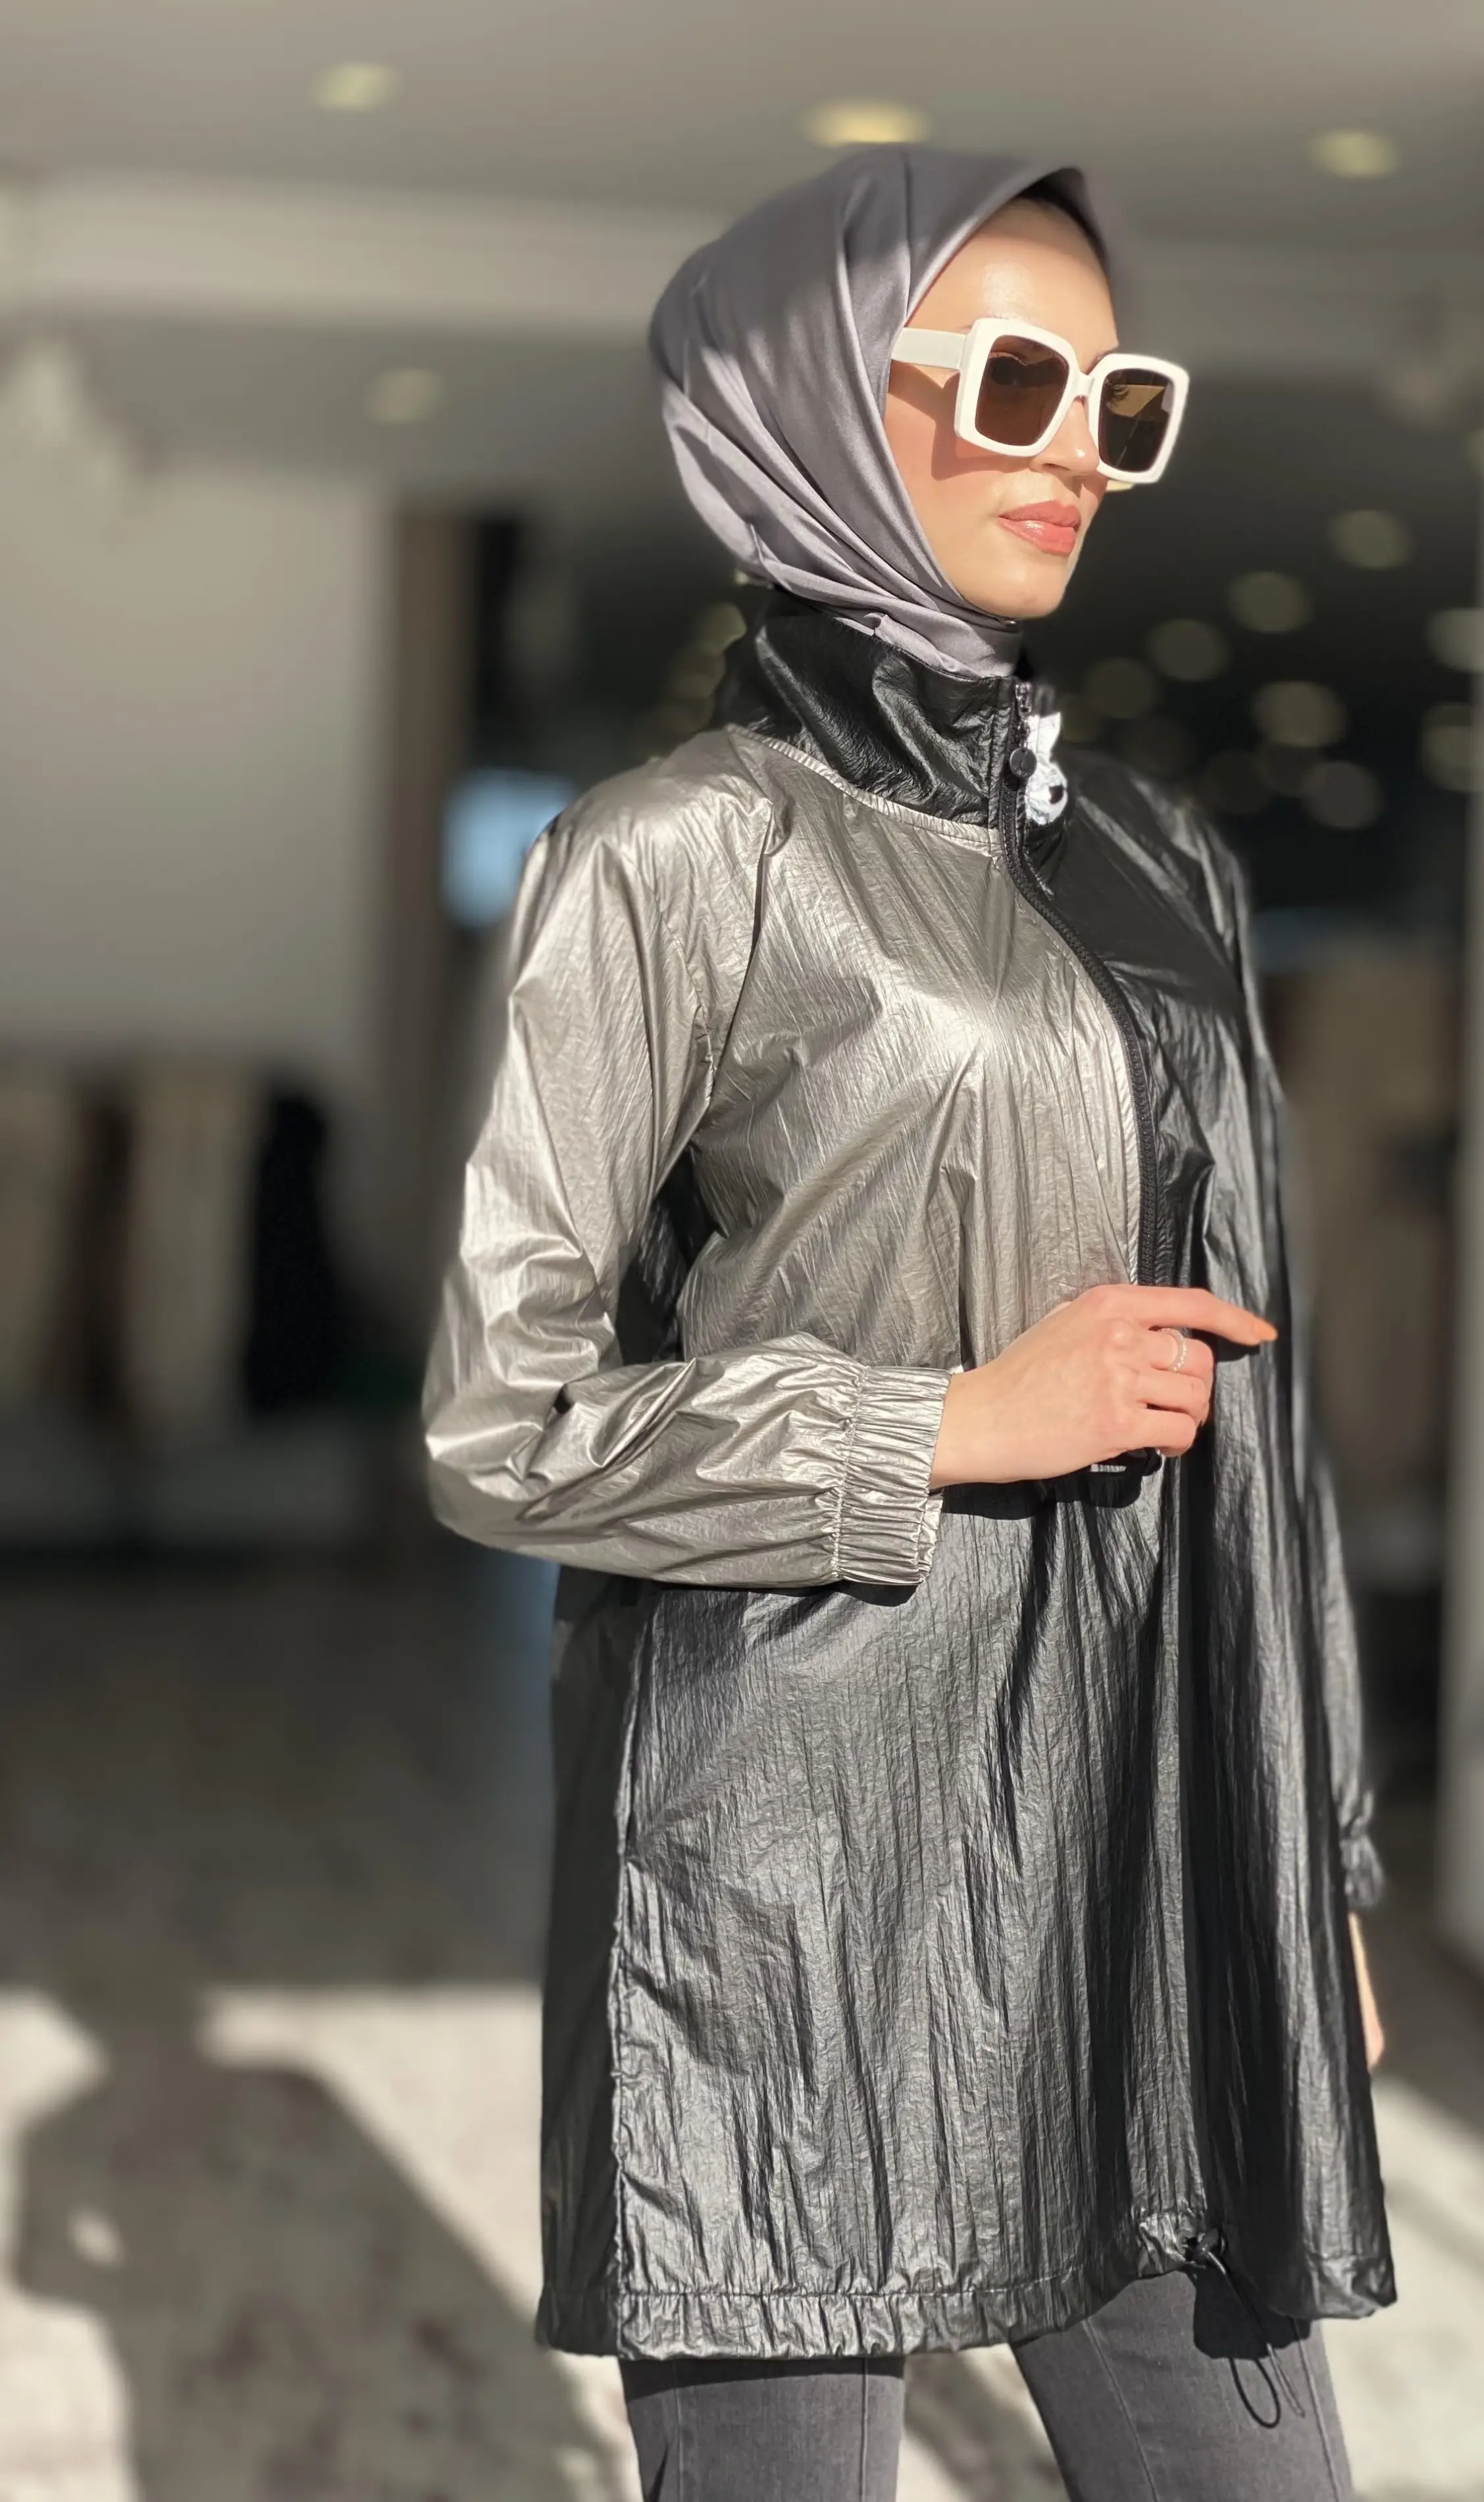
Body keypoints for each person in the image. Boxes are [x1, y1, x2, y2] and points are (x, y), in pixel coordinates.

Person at [424, 145, 1393, 2502]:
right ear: (813, 399)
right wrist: (945, 1424)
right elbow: (500, 1413)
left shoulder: (1163, 862)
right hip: (788, 1889)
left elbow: (1264, 1415)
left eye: (1121, 403)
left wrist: (1321, 1851)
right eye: (1019, 382)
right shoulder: (675, 851)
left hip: (1143, 1857)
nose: (1081, 451)